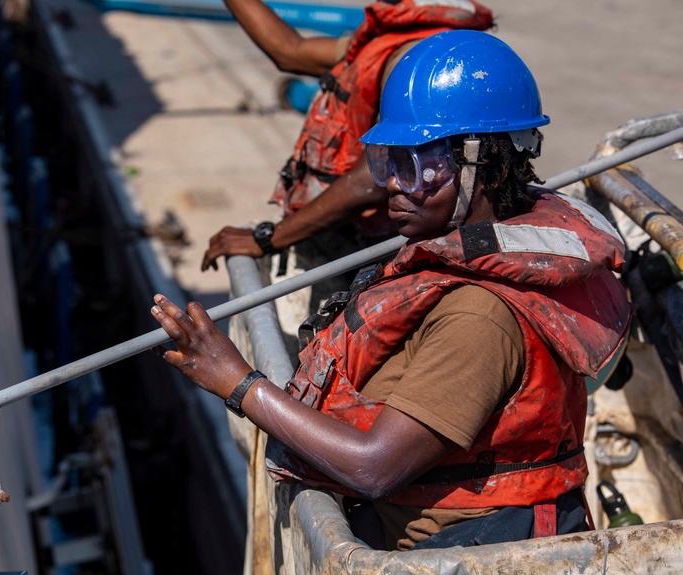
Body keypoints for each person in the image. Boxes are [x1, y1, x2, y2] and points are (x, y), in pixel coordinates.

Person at [151, 30, 631, 550]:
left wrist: (238, 382)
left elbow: (373, 467)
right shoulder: (456, 262)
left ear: (485, 168)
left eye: (419, 166)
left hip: (469, 564)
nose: (395, 186)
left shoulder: (479, 315)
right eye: (388, 163)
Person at [200, 0, 494, 353]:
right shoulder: (396, 36)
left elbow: (372, 180)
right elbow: (290, 52)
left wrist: (269, 239)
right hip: (349, 240)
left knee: (333, 356)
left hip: (369, 250)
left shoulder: (418, 57)